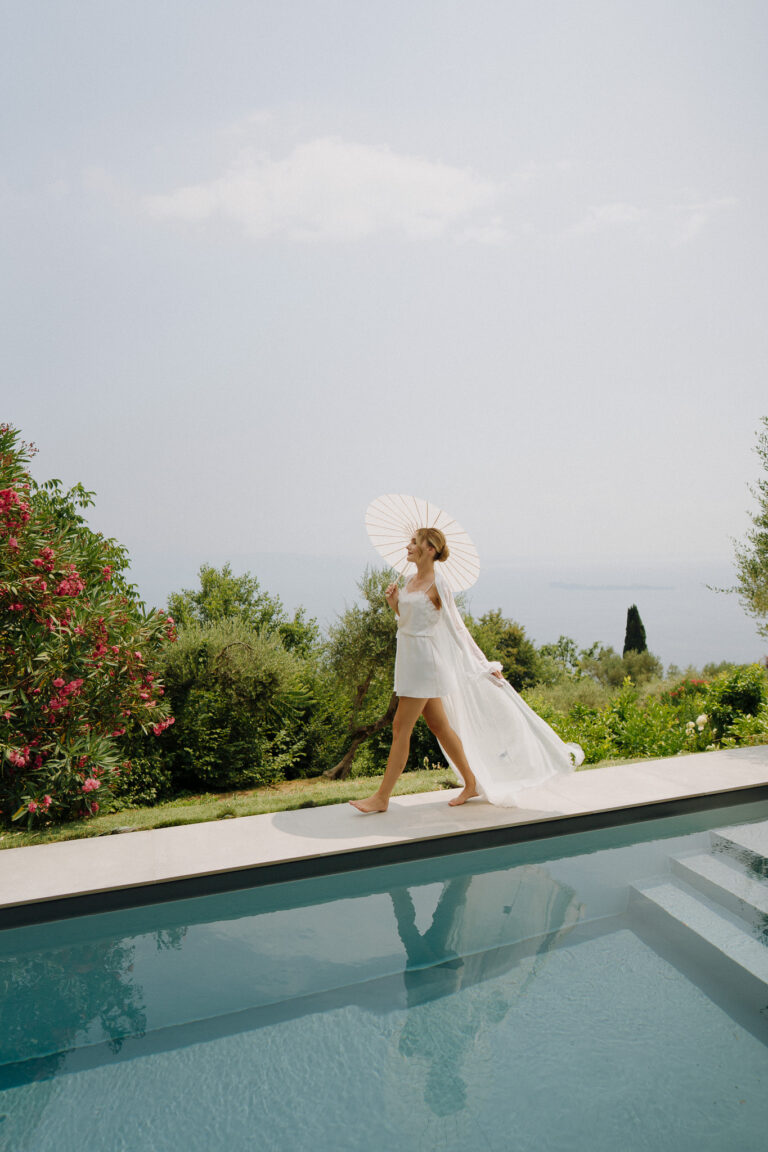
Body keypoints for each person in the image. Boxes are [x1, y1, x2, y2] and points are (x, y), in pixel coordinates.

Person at [350, 527, 583, 814]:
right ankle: (471, 782)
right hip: (409, 661)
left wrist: (484, 664)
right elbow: (410, 622)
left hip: (425, 666)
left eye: (414, 542)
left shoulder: (439, 585)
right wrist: (395, 604)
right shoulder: (410, 581)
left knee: (400, 727)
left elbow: (458, 628)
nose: (408, 547)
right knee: (439, 726)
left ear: (430, 549)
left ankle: (382, 798)